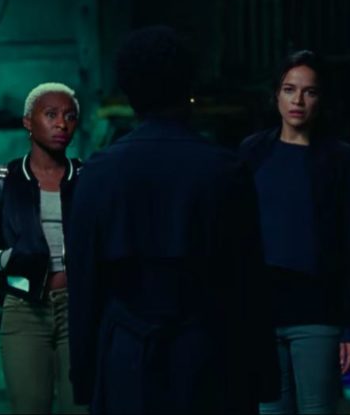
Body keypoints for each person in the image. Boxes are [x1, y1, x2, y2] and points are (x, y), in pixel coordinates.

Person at [66, 25, 279, 414]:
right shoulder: (225, 171)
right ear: (188, 88)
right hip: (210, 358)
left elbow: (84, 284)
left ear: (129, 91)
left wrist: (83, 376)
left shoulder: (97, 174)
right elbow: (249, 283)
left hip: (126, 358)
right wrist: (262, 377)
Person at [238, 50, 350, 414]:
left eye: (309, 91)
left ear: (321, 98)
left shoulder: (343, 161)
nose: (297, 100)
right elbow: (235, 236)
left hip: (318, 314)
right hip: (262, 314)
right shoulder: (252, 153)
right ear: (276, 95)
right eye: (289, 89)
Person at [0, 82, 86, 414]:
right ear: (28, 121)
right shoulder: (1, 181)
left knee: (81, 407)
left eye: (70, 116)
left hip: (81, 308)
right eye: (51, 114)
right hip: (25, 310)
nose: (62, 124)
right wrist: (6, 259)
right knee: (29, 407)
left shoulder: (89, 179)